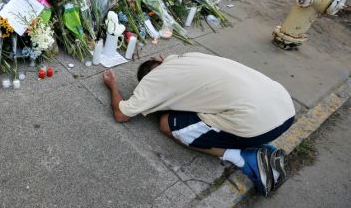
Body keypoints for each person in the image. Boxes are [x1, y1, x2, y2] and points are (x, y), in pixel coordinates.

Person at [102, 52, 295, 196]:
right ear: (160, 60)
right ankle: (259, 145)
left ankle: (244, 158)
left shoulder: (152, 81)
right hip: (285, 108)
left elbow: (121, 114)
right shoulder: (188, 57)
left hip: (255, 125)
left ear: (146, 78)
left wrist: (113, 86)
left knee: (166, 124)